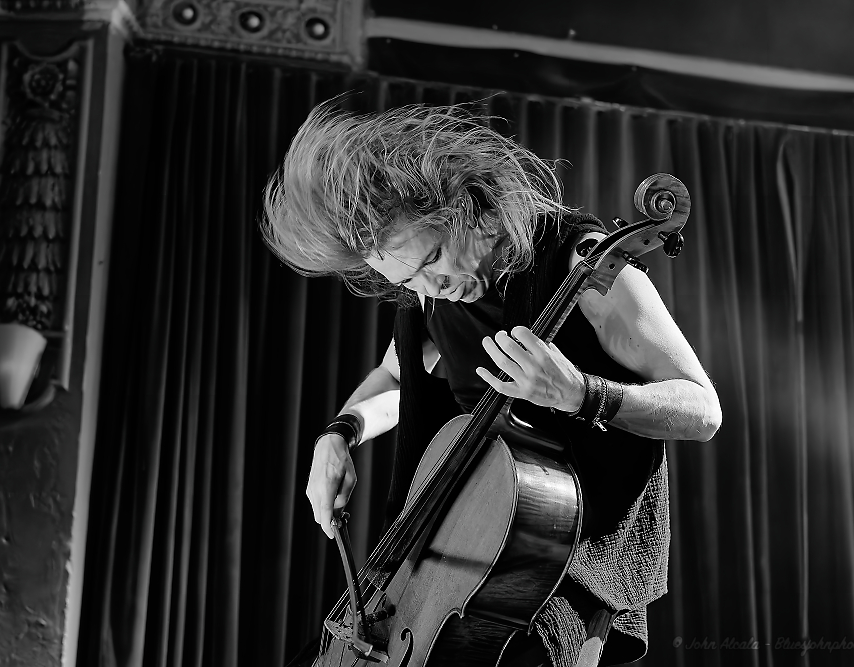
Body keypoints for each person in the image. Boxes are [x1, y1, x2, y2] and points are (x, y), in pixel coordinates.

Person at [262, 103, 722, 667]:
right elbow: (395, 376)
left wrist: (580, 392)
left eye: (432, 260)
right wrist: (340, 432)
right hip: (461, 541)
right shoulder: (431, 291)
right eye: (407, 280)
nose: (431, 287)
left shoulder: (584, 265)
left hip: (572, 554)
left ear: (466, 207)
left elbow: (702, 410)